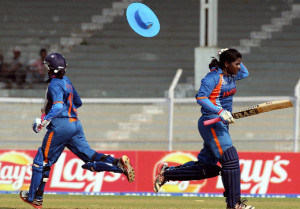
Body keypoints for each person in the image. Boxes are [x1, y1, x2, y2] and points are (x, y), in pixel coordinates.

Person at [19, 53, 135, 209]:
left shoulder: (54, 85)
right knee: (91, 157)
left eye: (47, 66)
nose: (45, 68)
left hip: (60, 126)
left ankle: (34, 197)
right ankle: (117, 164)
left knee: (42, 161)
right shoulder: (67, 81)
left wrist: (43, 122)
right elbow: (78, 102)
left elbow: (58, 106)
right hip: (75, 124)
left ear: (51, 69)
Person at [153, 48, 254, 209]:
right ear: (227, 64)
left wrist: (230, 55)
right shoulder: (213, 77)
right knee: (231, 159)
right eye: (237, 64)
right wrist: (220, 111)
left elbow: (246, 72)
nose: (240, 67)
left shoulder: (232, 74)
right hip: (211, 121)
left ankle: (167, 173)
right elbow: (201, 97)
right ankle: (234, 203)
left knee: (207, 168)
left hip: (223, 123)